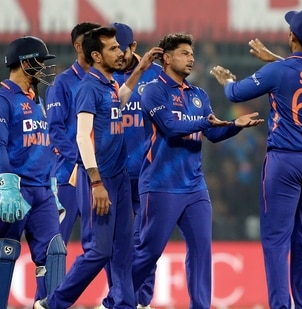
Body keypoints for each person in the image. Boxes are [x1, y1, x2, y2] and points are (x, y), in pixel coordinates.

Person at [210, 9, 302, 309]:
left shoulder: (278, 72)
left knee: (277, 240)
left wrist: (227, 81)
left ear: (291, 36)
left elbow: (236, 94)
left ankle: (281, 306)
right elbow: (299, 72)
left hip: (285, 162)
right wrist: (274, 59)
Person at [131, 32, 263, 309]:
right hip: (160, 184)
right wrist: (208, 122)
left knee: (201, 250)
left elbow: (212, 133)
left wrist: (234, 125)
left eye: (192, 53)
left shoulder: (199, 95)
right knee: (148, 252)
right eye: (184, 53)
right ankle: (118, 299)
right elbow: (171, 127)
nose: (191, 58)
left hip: (194, 186)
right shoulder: (154, 90)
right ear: (166, 58)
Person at [35, 26, 135, 309]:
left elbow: (118, 104)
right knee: (68, 248)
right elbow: (72, 134)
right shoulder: (76, 85)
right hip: (77, 176)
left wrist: (142, 69)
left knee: (121, 250)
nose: (120, 52)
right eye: (113, 48)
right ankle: (48, 302)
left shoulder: (110, 83)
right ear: (93, 53)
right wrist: (88, 173)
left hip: (115, 176)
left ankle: (123, 304)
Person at [0, 35, 66, 308]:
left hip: (42, 192)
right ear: (24, 63)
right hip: (14, 190)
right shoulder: (1, 101)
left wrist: (52, 185)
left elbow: (46, 146)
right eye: (39, 62)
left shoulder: (38, 102)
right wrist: (6, 186)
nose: (43, 67)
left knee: (54, 253)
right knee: (4, 252)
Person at [100, 22, 163, 309]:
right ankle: (119, 297)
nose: (117, 55)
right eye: (110, 49)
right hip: (115, 173)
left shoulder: (157, 76)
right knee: (113, 242)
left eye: (120, 49)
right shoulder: (102, 78)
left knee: (147, 242)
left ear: (133, 47)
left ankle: (142, 301)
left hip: (149, 171)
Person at [45, 21, 101, 244]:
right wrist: (81, 160)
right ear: (79, 46)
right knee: (55, 245)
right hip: (69, 176)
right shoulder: (62, 84)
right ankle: (50, 282)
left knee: (103, 245)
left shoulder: (108, 83)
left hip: (100, 177)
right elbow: (55, 130)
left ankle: (116, 282)